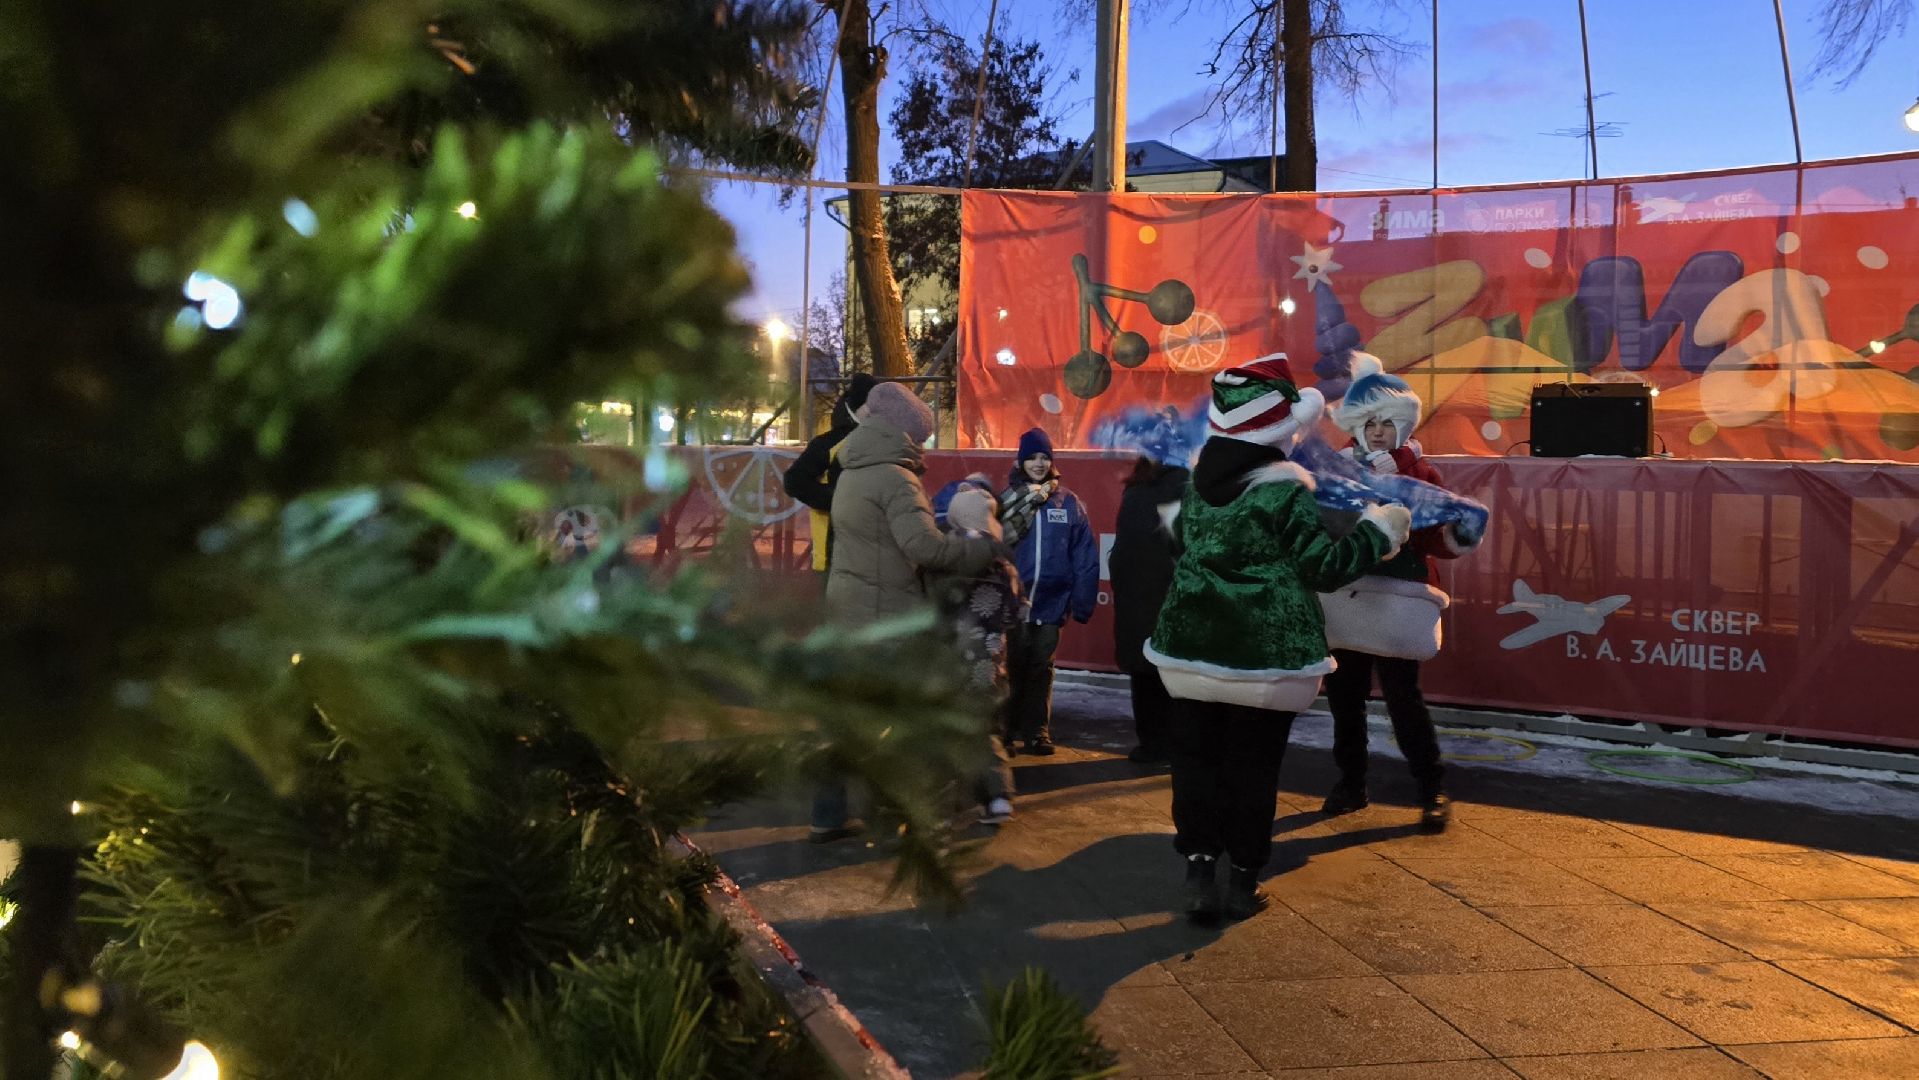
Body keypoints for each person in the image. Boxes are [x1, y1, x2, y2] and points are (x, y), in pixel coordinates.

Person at [1145, 354, 1409, 923]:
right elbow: (1322, 568)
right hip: (1262, 658)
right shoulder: (1282, 492)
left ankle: (1197, 869)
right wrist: (1377, 532)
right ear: (1278, 431)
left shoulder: (1196, 484)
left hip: (1189, 648)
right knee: (1253, 767)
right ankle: (1242, 881)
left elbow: (1182, 545)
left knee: (1195, 761)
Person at [811, 382, 997, 841]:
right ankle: (903, 816)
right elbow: (921, 547)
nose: (923, 446)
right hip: (887, 615)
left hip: (851, 606)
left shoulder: (853, 468)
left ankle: (828, 813)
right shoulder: (895, 478)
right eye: (922, 437)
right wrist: (980, 551)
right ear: (904, 433)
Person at [1318, 354, 1483, 832]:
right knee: (1344, 698)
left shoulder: (1422, 474)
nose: (1376, 432)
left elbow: (1437, 536)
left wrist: (1409, 490)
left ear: (1403, 425)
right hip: (1348, 594)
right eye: (1367, 422)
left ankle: (1431, 787)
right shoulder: (1338, 472)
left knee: (1402, 698)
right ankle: (1351, 784)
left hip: (1397, 600)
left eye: (1385, 423)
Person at [1001, 427, 1099, 756]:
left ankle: (1037, 731)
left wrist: (1081, 603)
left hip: (1050, 603)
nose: (1040, 464)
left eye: (1045, 457)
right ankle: (1004, 727)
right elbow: (994, 549)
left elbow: (1084, 555)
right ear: (1021, 461)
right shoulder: (1006, 501)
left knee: (1041, 668)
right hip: (1014, 602)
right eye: (1033, 458)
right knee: (1010, 665)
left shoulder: (1068, 503)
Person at [929, 486, 1022, 824]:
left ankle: (943, 807)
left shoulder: (944, 558)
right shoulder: (1003, 561)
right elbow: (1015, 611)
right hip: (990, 666)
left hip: (949, 661)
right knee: (986, 730)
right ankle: (998, 799)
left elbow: (931, 607)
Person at [1108, 455, 1190, 765]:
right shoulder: (1187, 487)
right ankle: (1173, 744)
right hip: (1170, 596)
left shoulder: (1135, 489)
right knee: (1173, 675)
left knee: (1143, 676)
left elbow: (1123, 550)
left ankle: (1150, 744)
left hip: (1135, 598)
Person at [783, 372, 880, 576]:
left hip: (873, 554)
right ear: (857, 407)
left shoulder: (883, 442)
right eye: (871, 405)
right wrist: (836, 499)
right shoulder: (829, 444)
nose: (877, 412)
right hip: (832, 553)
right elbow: (794, 481)